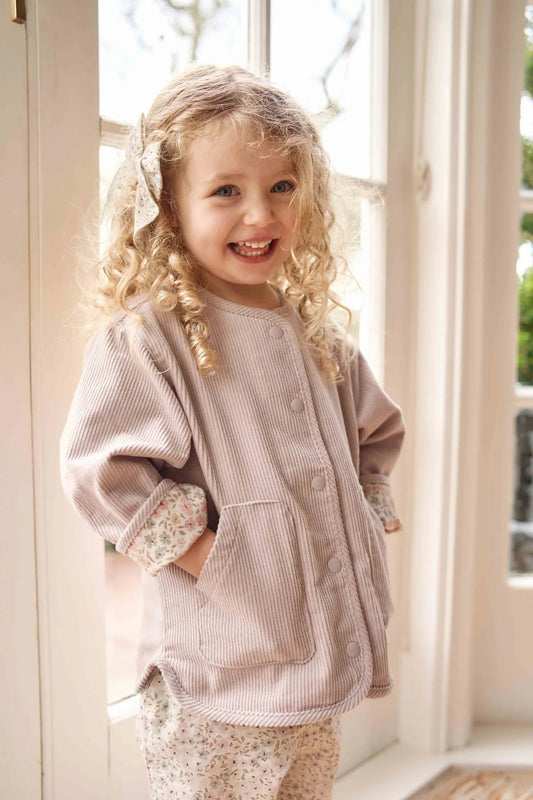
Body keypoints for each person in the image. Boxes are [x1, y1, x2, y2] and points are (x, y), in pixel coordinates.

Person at [59, 62, 406, 800]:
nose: (261, 215)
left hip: (312, 649)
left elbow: (374, 433)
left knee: (304, 787)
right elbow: (104, 469)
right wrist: (217, 557)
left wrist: (361, 508)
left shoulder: (318, 338)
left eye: (282, 186)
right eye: (226, 192)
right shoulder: (148, 339)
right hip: (215, 670)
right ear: (168, 205)